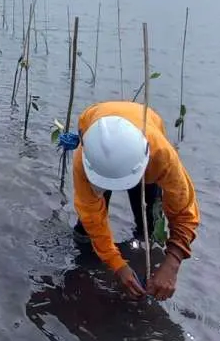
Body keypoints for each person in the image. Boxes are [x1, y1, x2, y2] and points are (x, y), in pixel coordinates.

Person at [63, 101, 201, 301]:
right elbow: (92, 216)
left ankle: (144, 242)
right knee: (87, 227)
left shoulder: (161, 155)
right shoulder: (85, 160)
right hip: (95, 129)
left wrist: (172, 262)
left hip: (146, 151)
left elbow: (184, 209)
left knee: (149, 225)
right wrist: (117, 265)